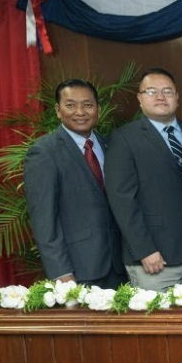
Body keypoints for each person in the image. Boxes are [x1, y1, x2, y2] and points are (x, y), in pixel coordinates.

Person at [105, 68, 182, 291]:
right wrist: (144, 250)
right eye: (151, 91)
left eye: (167, 91)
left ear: (177, 97)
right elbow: (122, 201)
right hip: (154, 258)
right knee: (155, 314)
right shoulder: (124, 138)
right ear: (140, 99)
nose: (160, 97)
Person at [23, 79, 125, 289]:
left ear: (98, 110)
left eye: (87, 105)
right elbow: (43, 219)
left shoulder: (111, 145)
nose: (80, 112)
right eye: (70, 105)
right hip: (79, 269)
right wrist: (61, 272)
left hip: (121, 265)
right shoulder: (44, 152)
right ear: (58, 110)